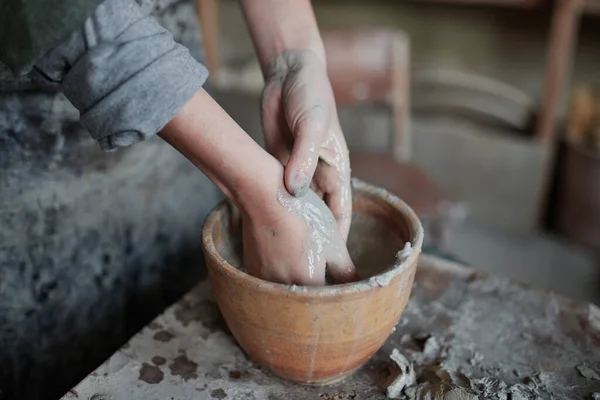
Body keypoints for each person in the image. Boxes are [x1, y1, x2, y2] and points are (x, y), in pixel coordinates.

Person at [0, 0, 357, 286]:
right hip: (30, 143)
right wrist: (261, 191)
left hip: (182, 110)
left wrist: (293, 59)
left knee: (183, 282)